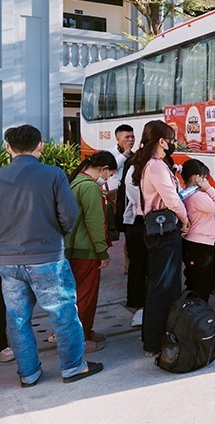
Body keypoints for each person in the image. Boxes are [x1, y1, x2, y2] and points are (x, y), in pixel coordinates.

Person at [0, 125, 103, 385]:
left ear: (8, 148)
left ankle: (29, 373)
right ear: (41, 146)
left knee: (17, 320)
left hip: (8, 260)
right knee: (63, 314)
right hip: (47, 257)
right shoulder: (54, 174)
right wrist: (54, 233)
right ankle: (73, 367)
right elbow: (69, 215)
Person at [133, 120, 190, 355]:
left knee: (161, 286)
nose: (173, 143)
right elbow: (172, 199)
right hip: (164, 231)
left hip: (157, 229)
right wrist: (185, 220)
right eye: (171, 139)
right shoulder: (155, 166)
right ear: (161, 141)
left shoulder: (151, 163)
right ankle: (156, 341)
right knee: (163, 287)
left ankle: (156, 338)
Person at [64, 151, 118, 352]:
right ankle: (79, 340)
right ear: (104, 169)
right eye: (109, 174)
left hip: (71, 247)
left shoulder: (75, 181)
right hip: (86, 250)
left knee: (76, 295)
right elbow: (95, 223)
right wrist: (102, 252)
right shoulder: (89, 187)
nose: (108, 179)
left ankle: (84, 332)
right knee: (85, 296)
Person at [181, 159, 215, 302]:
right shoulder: (197, 196)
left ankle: (192, 311)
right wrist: (210, 189)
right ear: (197, 178)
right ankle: (198, 312)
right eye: (204, 177)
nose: (206, 180)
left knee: (194, 282)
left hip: (193, 243)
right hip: (200, 245)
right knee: (202, 285)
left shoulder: (186, 194)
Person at [123, 158, 148, 326]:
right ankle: (136, 301)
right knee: (137, 264)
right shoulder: (133, 170)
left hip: (149, 220)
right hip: (138, 221)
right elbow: (137, 199)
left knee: (146, 265)